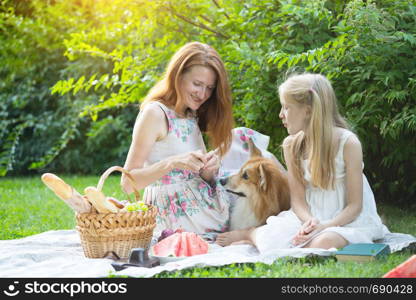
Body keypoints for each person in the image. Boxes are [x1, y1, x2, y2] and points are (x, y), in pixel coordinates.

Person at [216, 73, 388, 251]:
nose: (280, 114)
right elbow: (297, 201)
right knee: (273, 237)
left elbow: (355, 205)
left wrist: (325, 226)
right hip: (310, 215)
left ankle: (259, 237)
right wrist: (309, 222)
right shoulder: (292, 145)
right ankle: (250, 234)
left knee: (323, 243)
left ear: (307, 111)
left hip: (346, 218)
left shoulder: (348, 143)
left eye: (286, 108)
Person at [121, 42, 234, 241]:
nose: (203, 94)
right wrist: (172, 163)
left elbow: (194, 171)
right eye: (197, 84)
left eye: (209, 88)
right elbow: (128, 183)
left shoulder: (191, 113)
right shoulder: (155, 114)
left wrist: (208, 171)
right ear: (178, 76)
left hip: (202, 201)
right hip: (173, 214)